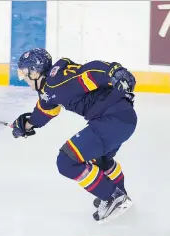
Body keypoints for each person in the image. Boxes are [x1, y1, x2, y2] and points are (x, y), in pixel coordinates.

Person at [11, 48, 137, 223]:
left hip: (112, 120)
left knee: (66, 161)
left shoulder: (57, 80)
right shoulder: (49, 89)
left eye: (25, 73)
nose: (24, 78)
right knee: (100, 160)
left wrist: (114, 70)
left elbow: (88, 73)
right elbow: (44, 111)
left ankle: (112, 197)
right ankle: (118, 193)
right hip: (121, 119)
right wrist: (25, 125)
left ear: (35, 71)